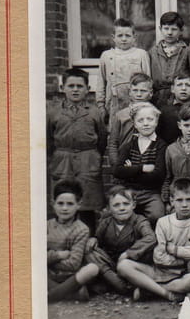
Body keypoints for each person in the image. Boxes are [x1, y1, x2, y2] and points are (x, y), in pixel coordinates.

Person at [117, 178, 190, 302]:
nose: (184, 205)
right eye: (179, 200)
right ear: (172, 201)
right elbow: (159, 257)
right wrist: (187, 256)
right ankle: (167, 294)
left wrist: (175, 251)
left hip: (182, 274)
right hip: (159, 270)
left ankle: (149, 289)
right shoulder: (163, 222)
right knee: (123, 266)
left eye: (189, 200)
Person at [47, 67, 107, 231]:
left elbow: (102, 140)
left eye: (79, 86)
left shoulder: (94, 113)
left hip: (88, 161)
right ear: (62, 88)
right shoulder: (53, 113)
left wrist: (94, 158)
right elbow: (49, 140)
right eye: (71, 86)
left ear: (88, 89)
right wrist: (57, 158)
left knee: (87, 206)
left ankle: (89, 240)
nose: (75, 90)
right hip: (62, 162)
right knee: (64, 204)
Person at [85, 186, 156, 295]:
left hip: (130, 263)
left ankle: (116, 285)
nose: (122, 208)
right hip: (111, 264)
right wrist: (94, 239)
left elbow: (150, 237)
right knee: (89, 251)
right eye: (116, 205)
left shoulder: (139, 221)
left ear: (133, 205)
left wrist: (129, 253)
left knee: (146, 253)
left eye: (126, 204)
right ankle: (119, 284)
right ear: (109, 208)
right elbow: (98, 239)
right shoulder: (106, 222)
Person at [113, 102, 167, 226]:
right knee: (118, 214)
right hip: (129, 191)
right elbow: (117, 171)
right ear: (135, 124)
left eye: (150, 119)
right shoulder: (129, 145)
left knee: (157, 215)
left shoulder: (161, 145)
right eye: (140, 120)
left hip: (151, 192)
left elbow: (158, 175)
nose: (145, 123)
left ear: (156, 122)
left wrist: (130, 170)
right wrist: (142, 168)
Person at [47, 179, 99, 302]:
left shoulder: (81, 229)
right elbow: (34, 257)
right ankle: (72, 293)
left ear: (78, 205)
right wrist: (58, 255)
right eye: (60, 203)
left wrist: (46, 259)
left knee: (92, 269)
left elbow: (73, 264)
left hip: (69, 276)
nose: (64, 208)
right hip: (47, 274)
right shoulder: (47, 225)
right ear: (53, 203)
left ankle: (51, 295)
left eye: (70, 204)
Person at [95, 17, 151, 124]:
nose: (124, 39)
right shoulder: (107, 56)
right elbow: (101, 82)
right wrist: (101, 105)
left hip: (137, 102)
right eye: (120, 35)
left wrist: (146, 102)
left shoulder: (141, 54)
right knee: (115, 129)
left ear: (134, 37)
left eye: (128, 35)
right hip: (114, 103)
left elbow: (148, 80)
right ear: (113, 37)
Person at [107, 72, 154, 166]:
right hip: (124, 162)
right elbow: (113, 144)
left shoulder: (156, 114)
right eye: (135, 90)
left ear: (151, 93)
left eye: (143, 91)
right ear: (129, 92)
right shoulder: (120, 115)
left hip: (148, 163)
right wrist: (116, 165)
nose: (139, 94)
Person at [148, 11, 190, 106]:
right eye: (166, 28)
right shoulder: (152, 52)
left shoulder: (187, 51)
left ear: (181, 30)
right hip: (156, 98)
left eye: (174, 29)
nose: (169, 33)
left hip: (179, 98)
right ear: (160, 29)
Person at [156, 73, 190, 144]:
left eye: (188, 85)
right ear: (172, 89)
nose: (183, 88)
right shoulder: (163, 111)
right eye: (179, 85)